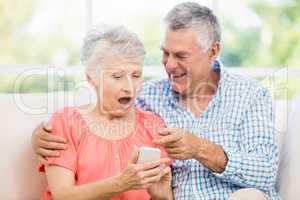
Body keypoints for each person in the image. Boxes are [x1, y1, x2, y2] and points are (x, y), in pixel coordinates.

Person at [32, 2, 279, 200]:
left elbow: (265, 172)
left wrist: (200, 148)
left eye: (181, 55)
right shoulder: (148, 97)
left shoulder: (251, 96)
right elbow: (98, 109)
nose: (169, 65)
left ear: (213, 51)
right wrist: (39, 134)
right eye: (165, 53)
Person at [36, 24, 173, 200]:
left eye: (136, 75)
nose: (129, 87)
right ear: (91, 78)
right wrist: (122, 183)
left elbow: (161, 193)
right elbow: (63, 195)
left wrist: (163, 197)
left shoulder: (154, 126)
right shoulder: (66, 123)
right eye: (117, 76)